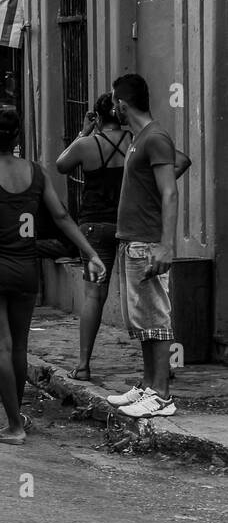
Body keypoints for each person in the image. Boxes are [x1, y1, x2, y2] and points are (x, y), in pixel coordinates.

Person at [0, 109, 105, 445]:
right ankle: (16, 417)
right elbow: (61, 215)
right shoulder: (36, 172)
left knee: (0, 348)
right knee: (18, 347)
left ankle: (14, 426)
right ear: (17, 138)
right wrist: (90, 253)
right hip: (25, 270)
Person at [104, 74, 192, 420]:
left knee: (156, 319)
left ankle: (162, 395)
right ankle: (148, 385)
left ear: (122, 104)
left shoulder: (154, 137)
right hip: (134, 239)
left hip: (148, 241)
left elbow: (170, 191)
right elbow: (180, 162)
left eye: (115, 101)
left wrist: (165, 244)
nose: (113, 107)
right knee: (143, 321)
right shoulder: (143, 138)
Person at [54, 93, 130, 381]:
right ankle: (159, 366)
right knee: (141, 294)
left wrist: (83, 132)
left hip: (94, 228)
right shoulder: (134, 142)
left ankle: (84, 365)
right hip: (129, 223)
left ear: (98, 117)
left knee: (94, 296)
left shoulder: (87, 145)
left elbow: (61, 164)